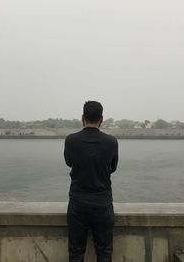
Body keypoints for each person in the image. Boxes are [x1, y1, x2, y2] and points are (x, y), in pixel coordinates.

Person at [64, 100, 119, 262]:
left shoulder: (71, 140)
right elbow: (112, 167)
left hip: (78, 202)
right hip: (102, 203)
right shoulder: (111, 142)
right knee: (104, 252)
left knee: (76, 252)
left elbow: (69, 162)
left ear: (83, 117)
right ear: (101, 119)